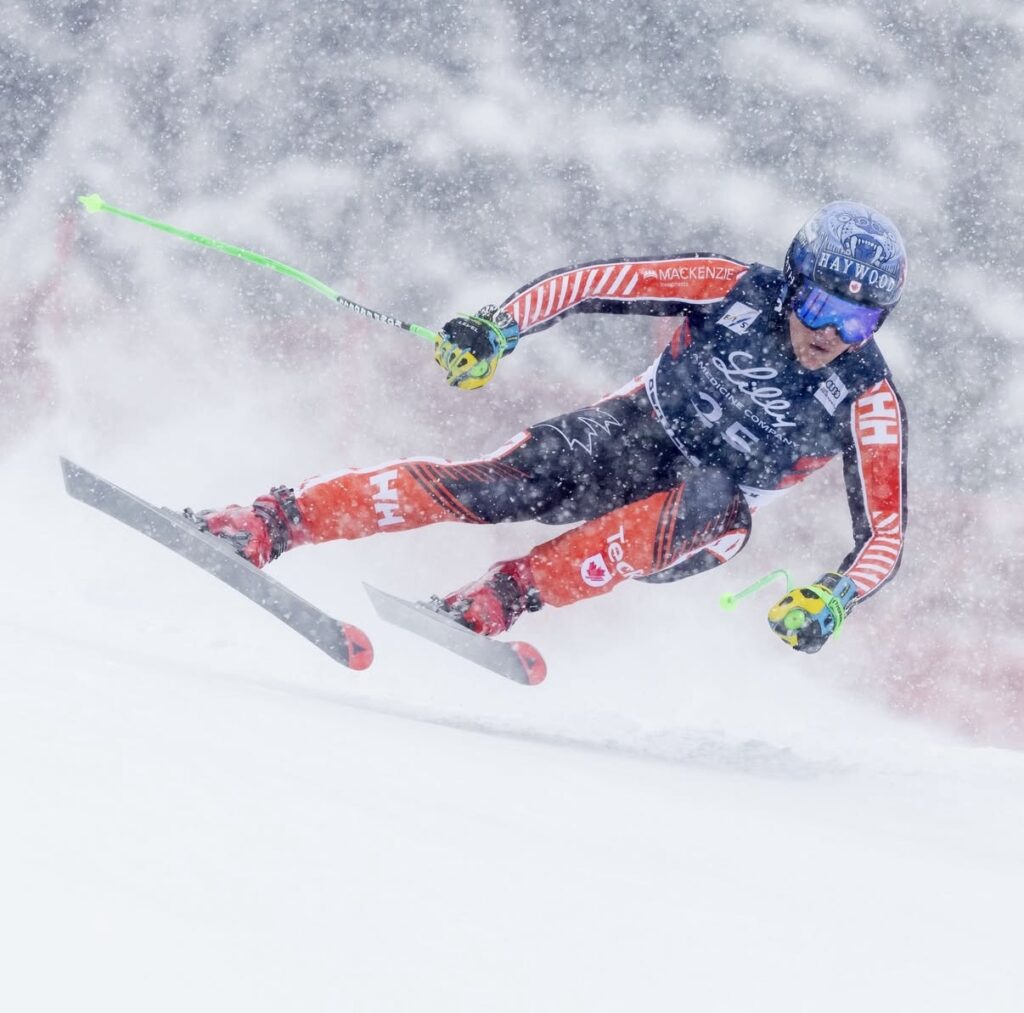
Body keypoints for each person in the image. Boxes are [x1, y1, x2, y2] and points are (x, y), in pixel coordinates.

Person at [193, 200, 908, 654]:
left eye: (860, 321)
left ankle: (501, 596)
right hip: (636, 432)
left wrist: (835, 596)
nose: (832, 334)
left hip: (707, 519)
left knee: (712, 493)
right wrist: (499, 329)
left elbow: (885, 533)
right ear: (792, 282)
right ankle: (273, 521)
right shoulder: (732, 288)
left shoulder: (865, 397)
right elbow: (594, 283)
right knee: (496, 485)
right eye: (821, 307)